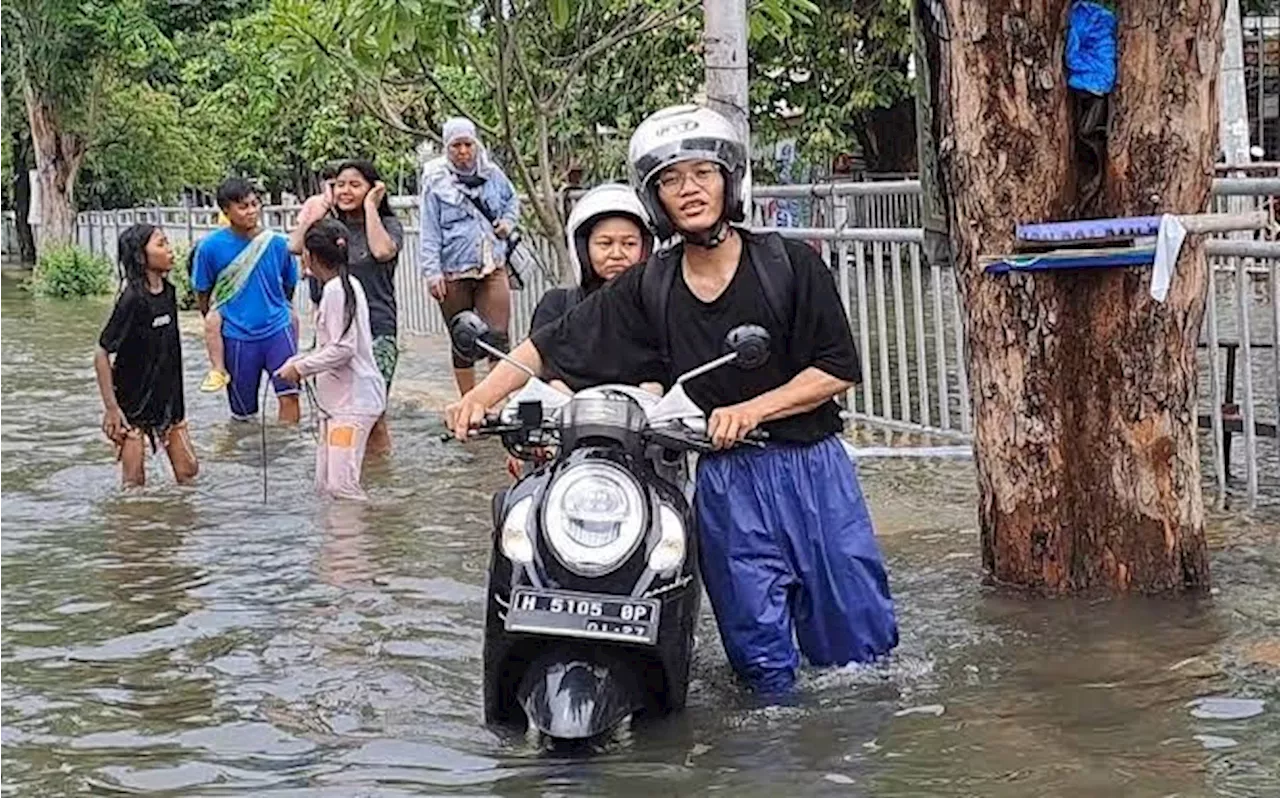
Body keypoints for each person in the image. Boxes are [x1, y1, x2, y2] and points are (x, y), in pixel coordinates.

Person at [446, 104, 898, 696]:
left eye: (702, 174)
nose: (689, 190)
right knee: (759, 662)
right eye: (671, 180)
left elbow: (837, 368)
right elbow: (553, 343)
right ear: (656, 198)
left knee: (857, 653)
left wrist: (753, 409)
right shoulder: (649, 286)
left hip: (814, 469)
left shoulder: (788, 263)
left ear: (729, 180)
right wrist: (477, 397)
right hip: (726, 481)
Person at [291, 159, 404, 455]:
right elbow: (294, 246)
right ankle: (341, 468)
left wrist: (370, 208)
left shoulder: (387, 224)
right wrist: (315, 212)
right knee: (332, 408)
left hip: (376, 330)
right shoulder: (328, 227)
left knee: (372, 412)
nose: (345, 191)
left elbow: (381, 251)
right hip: (331, 330)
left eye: (355, 184)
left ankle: (379, 478)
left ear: (372, 189)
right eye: (340, 184)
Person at [275, 218, 387, 500]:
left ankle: (357, 540)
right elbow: (334, 345)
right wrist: (302, 360)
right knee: (325, 486)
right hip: (339, 403)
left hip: (352, 404)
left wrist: (300, 367)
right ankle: (337, 542)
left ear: (311, 257)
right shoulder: (343, 287)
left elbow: (343, 349)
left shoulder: (338, 290)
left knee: (341, 487)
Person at [419, 117, 520, 396]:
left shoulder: (492, 174)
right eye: (456, 146)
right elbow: (429, 228)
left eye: (467, 145)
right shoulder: (435, 181)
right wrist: (432, 272)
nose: (463, 152)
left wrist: (508, 223)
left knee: (498, 336)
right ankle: (468, 400)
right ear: (446, 148)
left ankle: (497, 400)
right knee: (462, 337)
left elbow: (512, 202)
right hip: (453, 268)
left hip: (491, 265)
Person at [94, 224, 198, 488]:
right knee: (134, 485)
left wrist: (176, 403)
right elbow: (102, 352)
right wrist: (111, 409)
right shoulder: (132, 299)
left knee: (189, 473)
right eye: (161, 244)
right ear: (141, 256)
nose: (170, 250)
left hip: (167, 399)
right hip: (131, 403)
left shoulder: (170, 292)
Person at [192, 177, 301, 423]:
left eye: (254, 204)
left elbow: (289, 283)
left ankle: (289, 455)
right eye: (243, 207)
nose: (251, 211)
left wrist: (279, 310)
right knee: (243, 413)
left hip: (277, 330)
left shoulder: (277, 243)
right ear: (226, 211)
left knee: (290, 395)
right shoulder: (209, 248)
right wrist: (215, 323)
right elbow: (203, 291)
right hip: (237, 337)